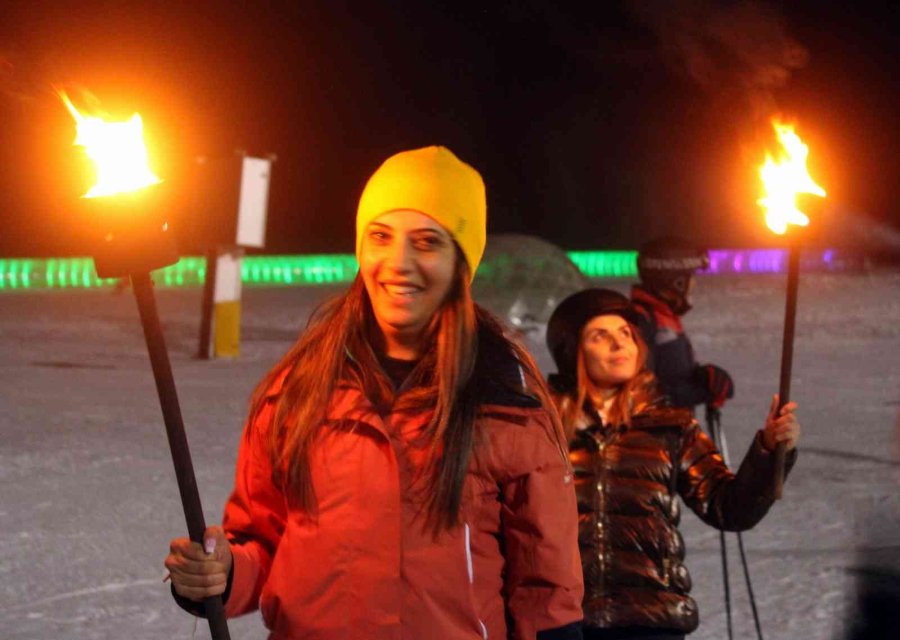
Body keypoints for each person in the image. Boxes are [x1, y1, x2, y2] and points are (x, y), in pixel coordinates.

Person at [164, 146, 584, 640]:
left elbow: (546, 588)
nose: (398, 262)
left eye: (427, 242)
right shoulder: (299, 389)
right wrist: (222, 572)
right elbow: (261, 542)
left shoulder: (506, 399)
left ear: (461, 263)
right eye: (381, 236)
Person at [545, 288, 800, 639]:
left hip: (650, 621)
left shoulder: (671, 425)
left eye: (626, 334)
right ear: (571, 352)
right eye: (599, 336)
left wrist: (769, 451)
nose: (619, 345)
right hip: (565, 621)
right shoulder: (543, 427)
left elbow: (728, 507)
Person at [630, 236, 734, 412]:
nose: (693, 284)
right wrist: (700, 391)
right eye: (690, 277)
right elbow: (642, 394)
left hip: (675, 427)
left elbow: (670, 373)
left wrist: (702, 376)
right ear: (676, 281)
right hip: (657, 429)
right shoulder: (641, 321)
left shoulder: (663, 316)